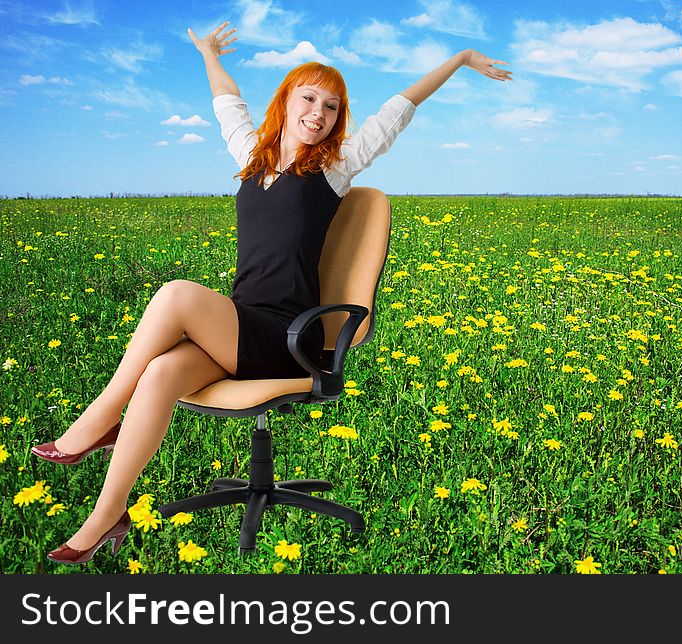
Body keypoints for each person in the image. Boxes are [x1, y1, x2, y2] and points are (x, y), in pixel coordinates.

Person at [33, 21, 511, 564]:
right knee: (163, 372)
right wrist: (210, 53)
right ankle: (106, 516)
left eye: (332, 107)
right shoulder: (251, 156)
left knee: (175, 294)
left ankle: (95, 422)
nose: (319, 113)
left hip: (289, 334)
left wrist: (462, 57)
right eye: (309, 98)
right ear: (286, 100)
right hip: (242, 323)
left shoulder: (335, 167)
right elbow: (227, 102)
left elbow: (398, 109)